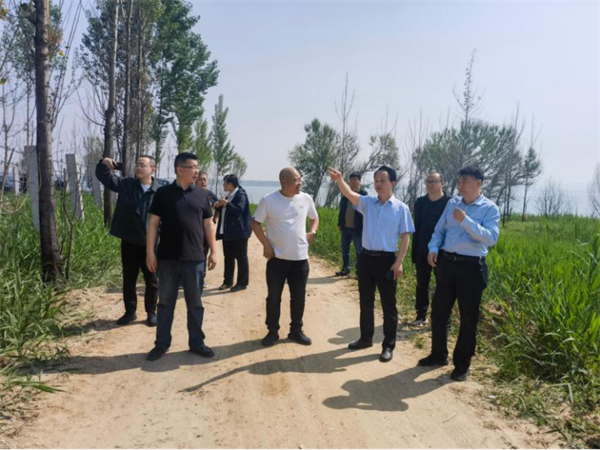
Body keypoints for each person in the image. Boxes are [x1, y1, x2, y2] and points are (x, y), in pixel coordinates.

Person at [418, 166, 500, 382]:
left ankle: (462, 365)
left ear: (478, 183)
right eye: (459, 181)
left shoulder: (489, 208)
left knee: (468, 318)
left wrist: (465, 220)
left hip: (471, 268)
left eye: (465, 181)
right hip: (447, 264)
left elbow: (491, 238)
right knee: (439, 312)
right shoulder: (452, 204)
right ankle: (438, 355)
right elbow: (439, 231)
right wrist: (433, 249)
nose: (460, 185)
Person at [329, 165, 414, 363]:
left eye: (383, 180)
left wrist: (399, 262)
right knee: (365, 301)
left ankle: (388, 345)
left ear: (393, 183)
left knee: (388, 305)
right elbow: (349, 194)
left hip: (387, 261)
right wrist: (340, 179)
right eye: (376, 180)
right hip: (366, 258)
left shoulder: (401, 208)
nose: (378, 184)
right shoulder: (367, 203)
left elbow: (405, 237)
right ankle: (365, 338)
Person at [145, 152, 218, 361]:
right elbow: (153, 224)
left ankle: (197, 343)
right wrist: (150, 252)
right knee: (165, 304)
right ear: (179, 170)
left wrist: (214, 251)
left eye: (197, 167)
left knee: (195, 304)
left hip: (195, 258)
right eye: (192, 167)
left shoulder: (202, 195)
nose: (196, 171)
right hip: (167, 258)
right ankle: (161, 344)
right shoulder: (163, 194)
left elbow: (208, 225)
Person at [95, 155, 168, 327]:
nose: (138, 168)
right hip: (130, 241)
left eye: (142, 165)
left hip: (151, 244)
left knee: (152, 280)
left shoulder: (161, 191)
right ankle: (130, 312)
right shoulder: (127, 184)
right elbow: (105, 178)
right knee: (129, 279)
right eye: (137, 164)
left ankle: (151, 312)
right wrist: (103, 163)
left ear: (152, 169)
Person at [251, 167, 319, 347]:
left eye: (300, 179)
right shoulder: (269, 200)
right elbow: (255, 224)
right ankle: (272, 331)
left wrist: (312, 231)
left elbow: (314, 218)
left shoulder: (306, 198)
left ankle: (296, 331)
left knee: (299, 298)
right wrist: (266, 244)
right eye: (296, 180)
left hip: (300, 258)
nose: (300, 183)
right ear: (284, 182)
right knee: (274, 297)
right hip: (277, 259)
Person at [410, 172, 450, 326]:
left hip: (443, 252)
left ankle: (442, 318)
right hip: (422, 249)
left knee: (443, 286)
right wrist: (414, 252)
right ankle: (421, 315)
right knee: (422, 284)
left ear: (442, 183)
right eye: (428, 181)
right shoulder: (420, 202)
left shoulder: (450, 202)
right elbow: (417, 227)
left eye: (434, 181)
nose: (431, 184)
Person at [214, 174, 252, 292]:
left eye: (224, 183)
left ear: (230, 184)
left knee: (241, 257)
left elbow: (239, 210)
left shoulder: (241, 195)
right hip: (228, 232)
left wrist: (226, 203)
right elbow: (226, 210)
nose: (223, 185)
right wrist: (219, 206)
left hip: (239, 232)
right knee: (228, 257)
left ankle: (242, 283)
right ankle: (227, 282)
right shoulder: (229, 195)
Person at [335, 172, 368, 277]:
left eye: (355, 179)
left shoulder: (364, 195)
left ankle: (359, 273)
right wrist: (340, 223)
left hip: (358, 229)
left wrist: (364, 227)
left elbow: (366, 213)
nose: (353, 182)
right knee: (345, 250)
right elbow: (342, 210)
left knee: (359, 252)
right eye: (351, 179)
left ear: (360, 181)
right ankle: (345, 269)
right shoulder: (346, 194)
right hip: (345, 228)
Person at [196, 171, 218, 287]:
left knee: (203, 254)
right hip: (193, 230)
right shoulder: (191, 193)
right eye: (201, 179)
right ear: (195, 180)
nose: (203, 182)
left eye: (205, 179)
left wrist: (215, 219)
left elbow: (218, 206)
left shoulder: (210, 194)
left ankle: (201, 278)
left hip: (206, 231)